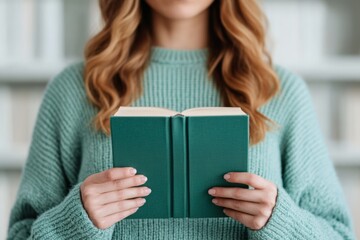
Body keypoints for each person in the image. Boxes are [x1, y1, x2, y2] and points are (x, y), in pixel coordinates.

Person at [7, 0, 356, 239]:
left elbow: (338, 233)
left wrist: (279, 220)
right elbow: (22, 233)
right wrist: (79, 219)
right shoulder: (73, 90)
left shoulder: (279, 91)